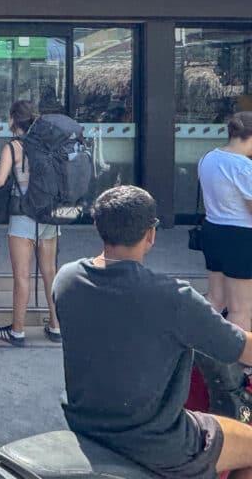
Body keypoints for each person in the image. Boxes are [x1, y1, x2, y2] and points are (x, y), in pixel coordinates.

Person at [55, 185, 252, 479]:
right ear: (151, 234)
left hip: (88, 424)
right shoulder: (173, 297)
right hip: (156, 440)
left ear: (98, 226)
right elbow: (239, 347)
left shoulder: (67, 278)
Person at [0, 100, 61, 346]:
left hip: (22, 216)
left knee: (22, 275)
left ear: (13, 120)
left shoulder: (13, 148)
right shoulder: (47, 144)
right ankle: (56, 325)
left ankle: (17, 330)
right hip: (48, 216)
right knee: (50, 272)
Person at [198, 112, 252, 330]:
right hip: (240, 237)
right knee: (241, 309)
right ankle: (239, 362)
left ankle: (195, 354)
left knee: (215, 300)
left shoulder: (208, 158)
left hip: (212, 230)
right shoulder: (244, 168)